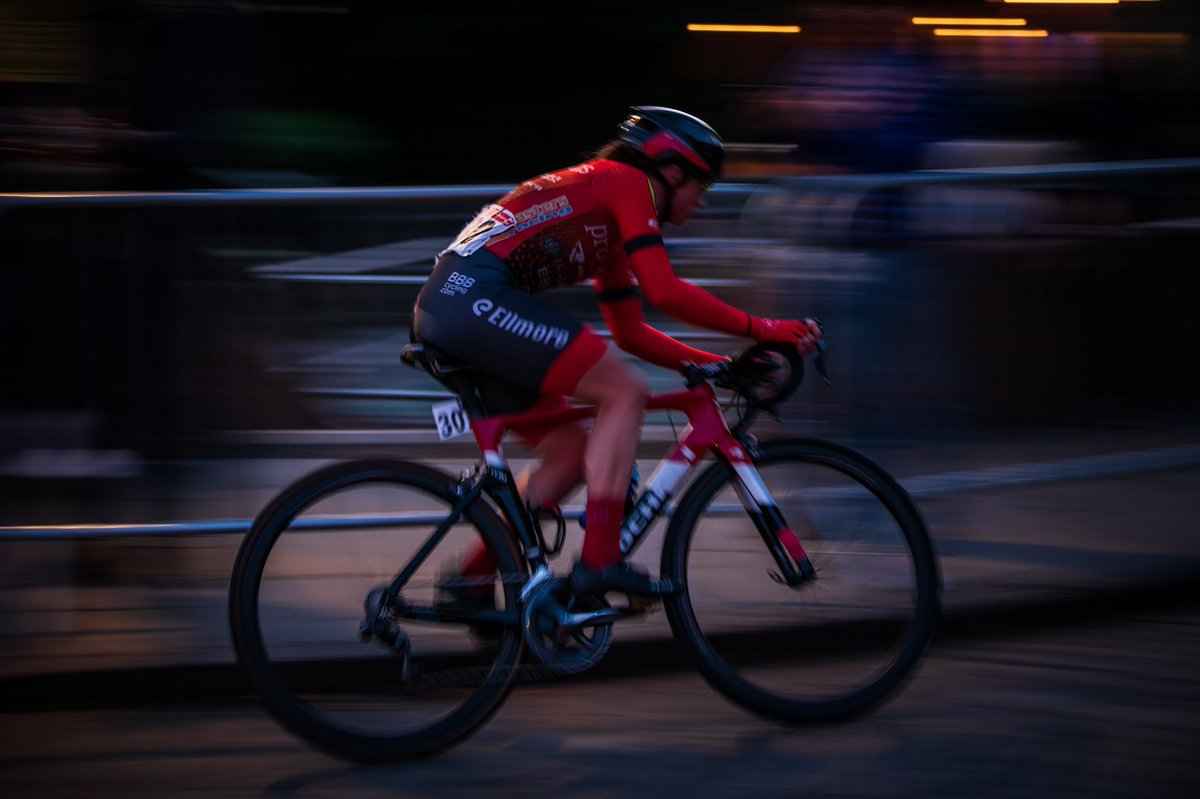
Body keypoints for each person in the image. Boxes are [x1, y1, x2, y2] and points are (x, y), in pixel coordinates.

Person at [411, 106, 821, 600]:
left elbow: (630, 332)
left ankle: (473, 577)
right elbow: (665, 291)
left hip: (454, 308)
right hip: (470, 301)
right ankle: (600, 561)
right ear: (672, 172)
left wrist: (717, 365)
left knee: (570, 454)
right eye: (702, 187)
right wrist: (765, 328)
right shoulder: (627, 182)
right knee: (624, 391)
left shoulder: (607, 212)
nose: (703, 203)